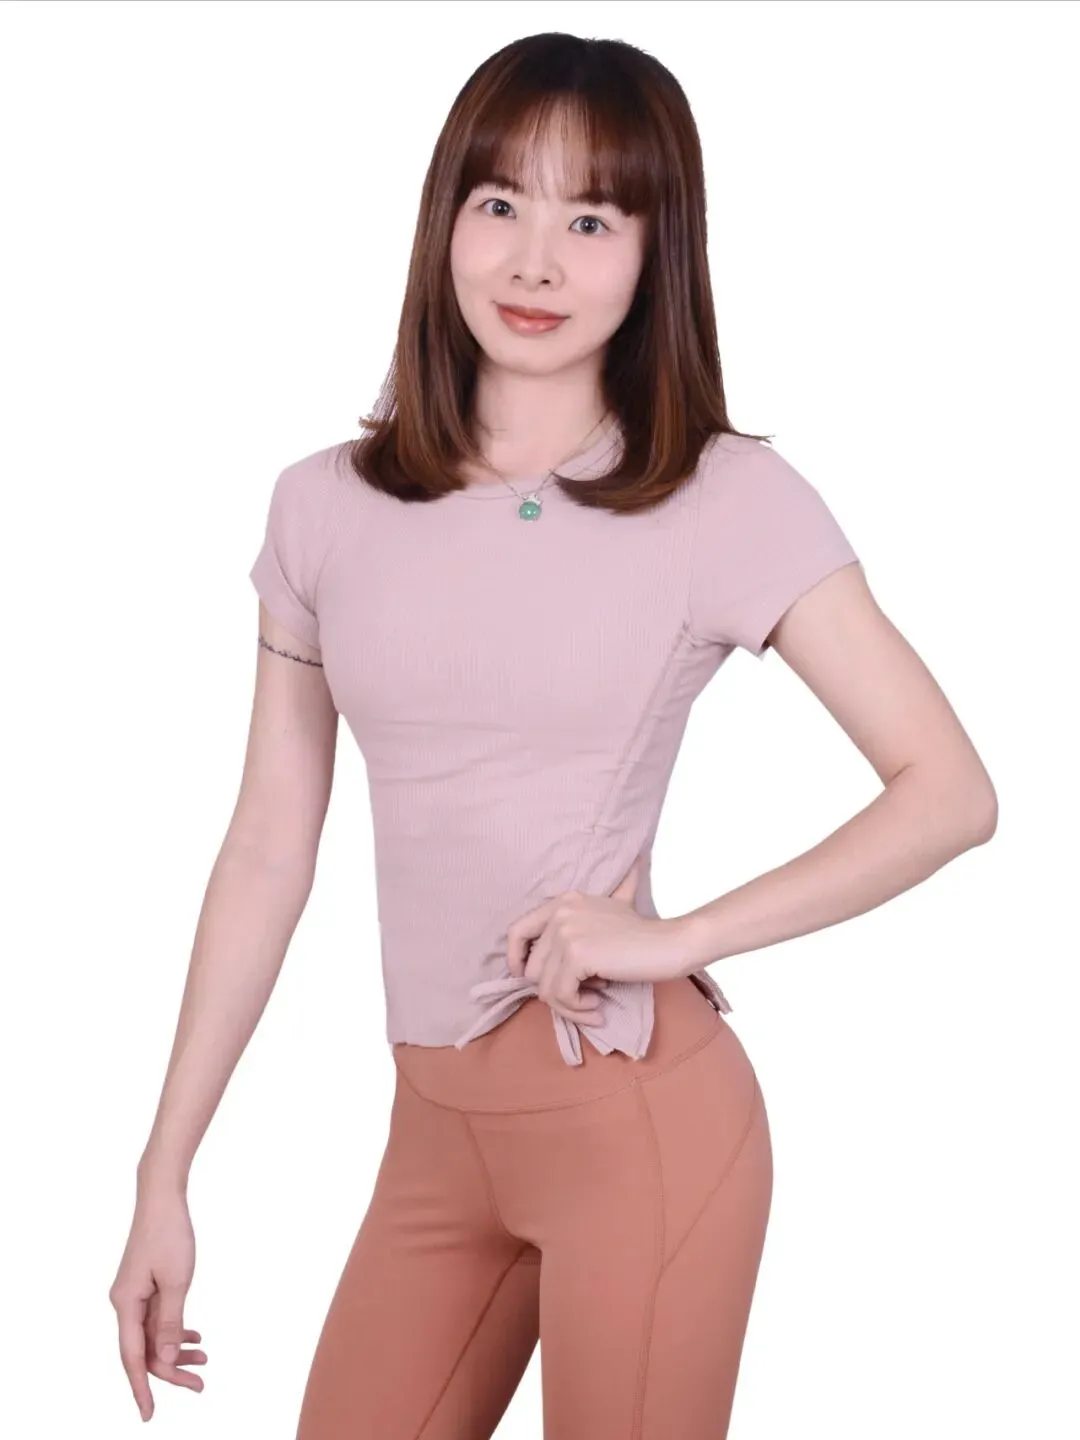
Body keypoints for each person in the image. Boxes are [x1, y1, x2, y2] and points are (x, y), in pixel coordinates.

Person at [109, 30, 998, 1438]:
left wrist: (675, 937)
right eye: (500, 202)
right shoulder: (324, 506)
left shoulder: (720, 498)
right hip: (432, 1137)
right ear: (445, 217)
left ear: (655, 253)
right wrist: (166, 1171)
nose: (534, 261)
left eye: (591, 220)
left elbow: (947, 790)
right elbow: (270, 844)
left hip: (633, 1118)